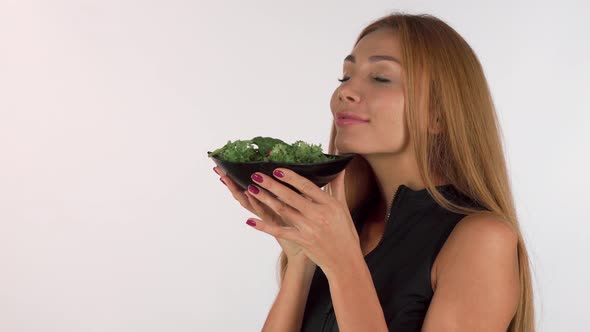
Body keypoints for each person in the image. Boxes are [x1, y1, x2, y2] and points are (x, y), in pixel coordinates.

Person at [214, 12, 535, 332]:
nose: (345, 92)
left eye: (381, 78)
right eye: (345, 77)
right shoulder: (340, 224)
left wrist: (343, 263)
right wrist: (301, 260)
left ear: (438, 116)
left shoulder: (482, 239)